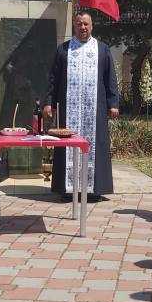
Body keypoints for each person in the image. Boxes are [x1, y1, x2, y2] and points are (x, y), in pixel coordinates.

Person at [44, 11, 119, 200]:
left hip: (95, 109)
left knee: (95, 146)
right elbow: (53, 80)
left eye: (86, 24)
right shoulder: (63, 50)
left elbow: (110, 78)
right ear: (74, 26)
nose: (83, 27)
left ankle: (94, 190)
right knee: (67, 146)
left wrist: (113, 103)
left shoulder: (102, 49)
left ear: (92, 26)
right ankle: (67, 190)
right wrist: (48, 103)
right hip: (68, 110)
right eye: (79, 24)